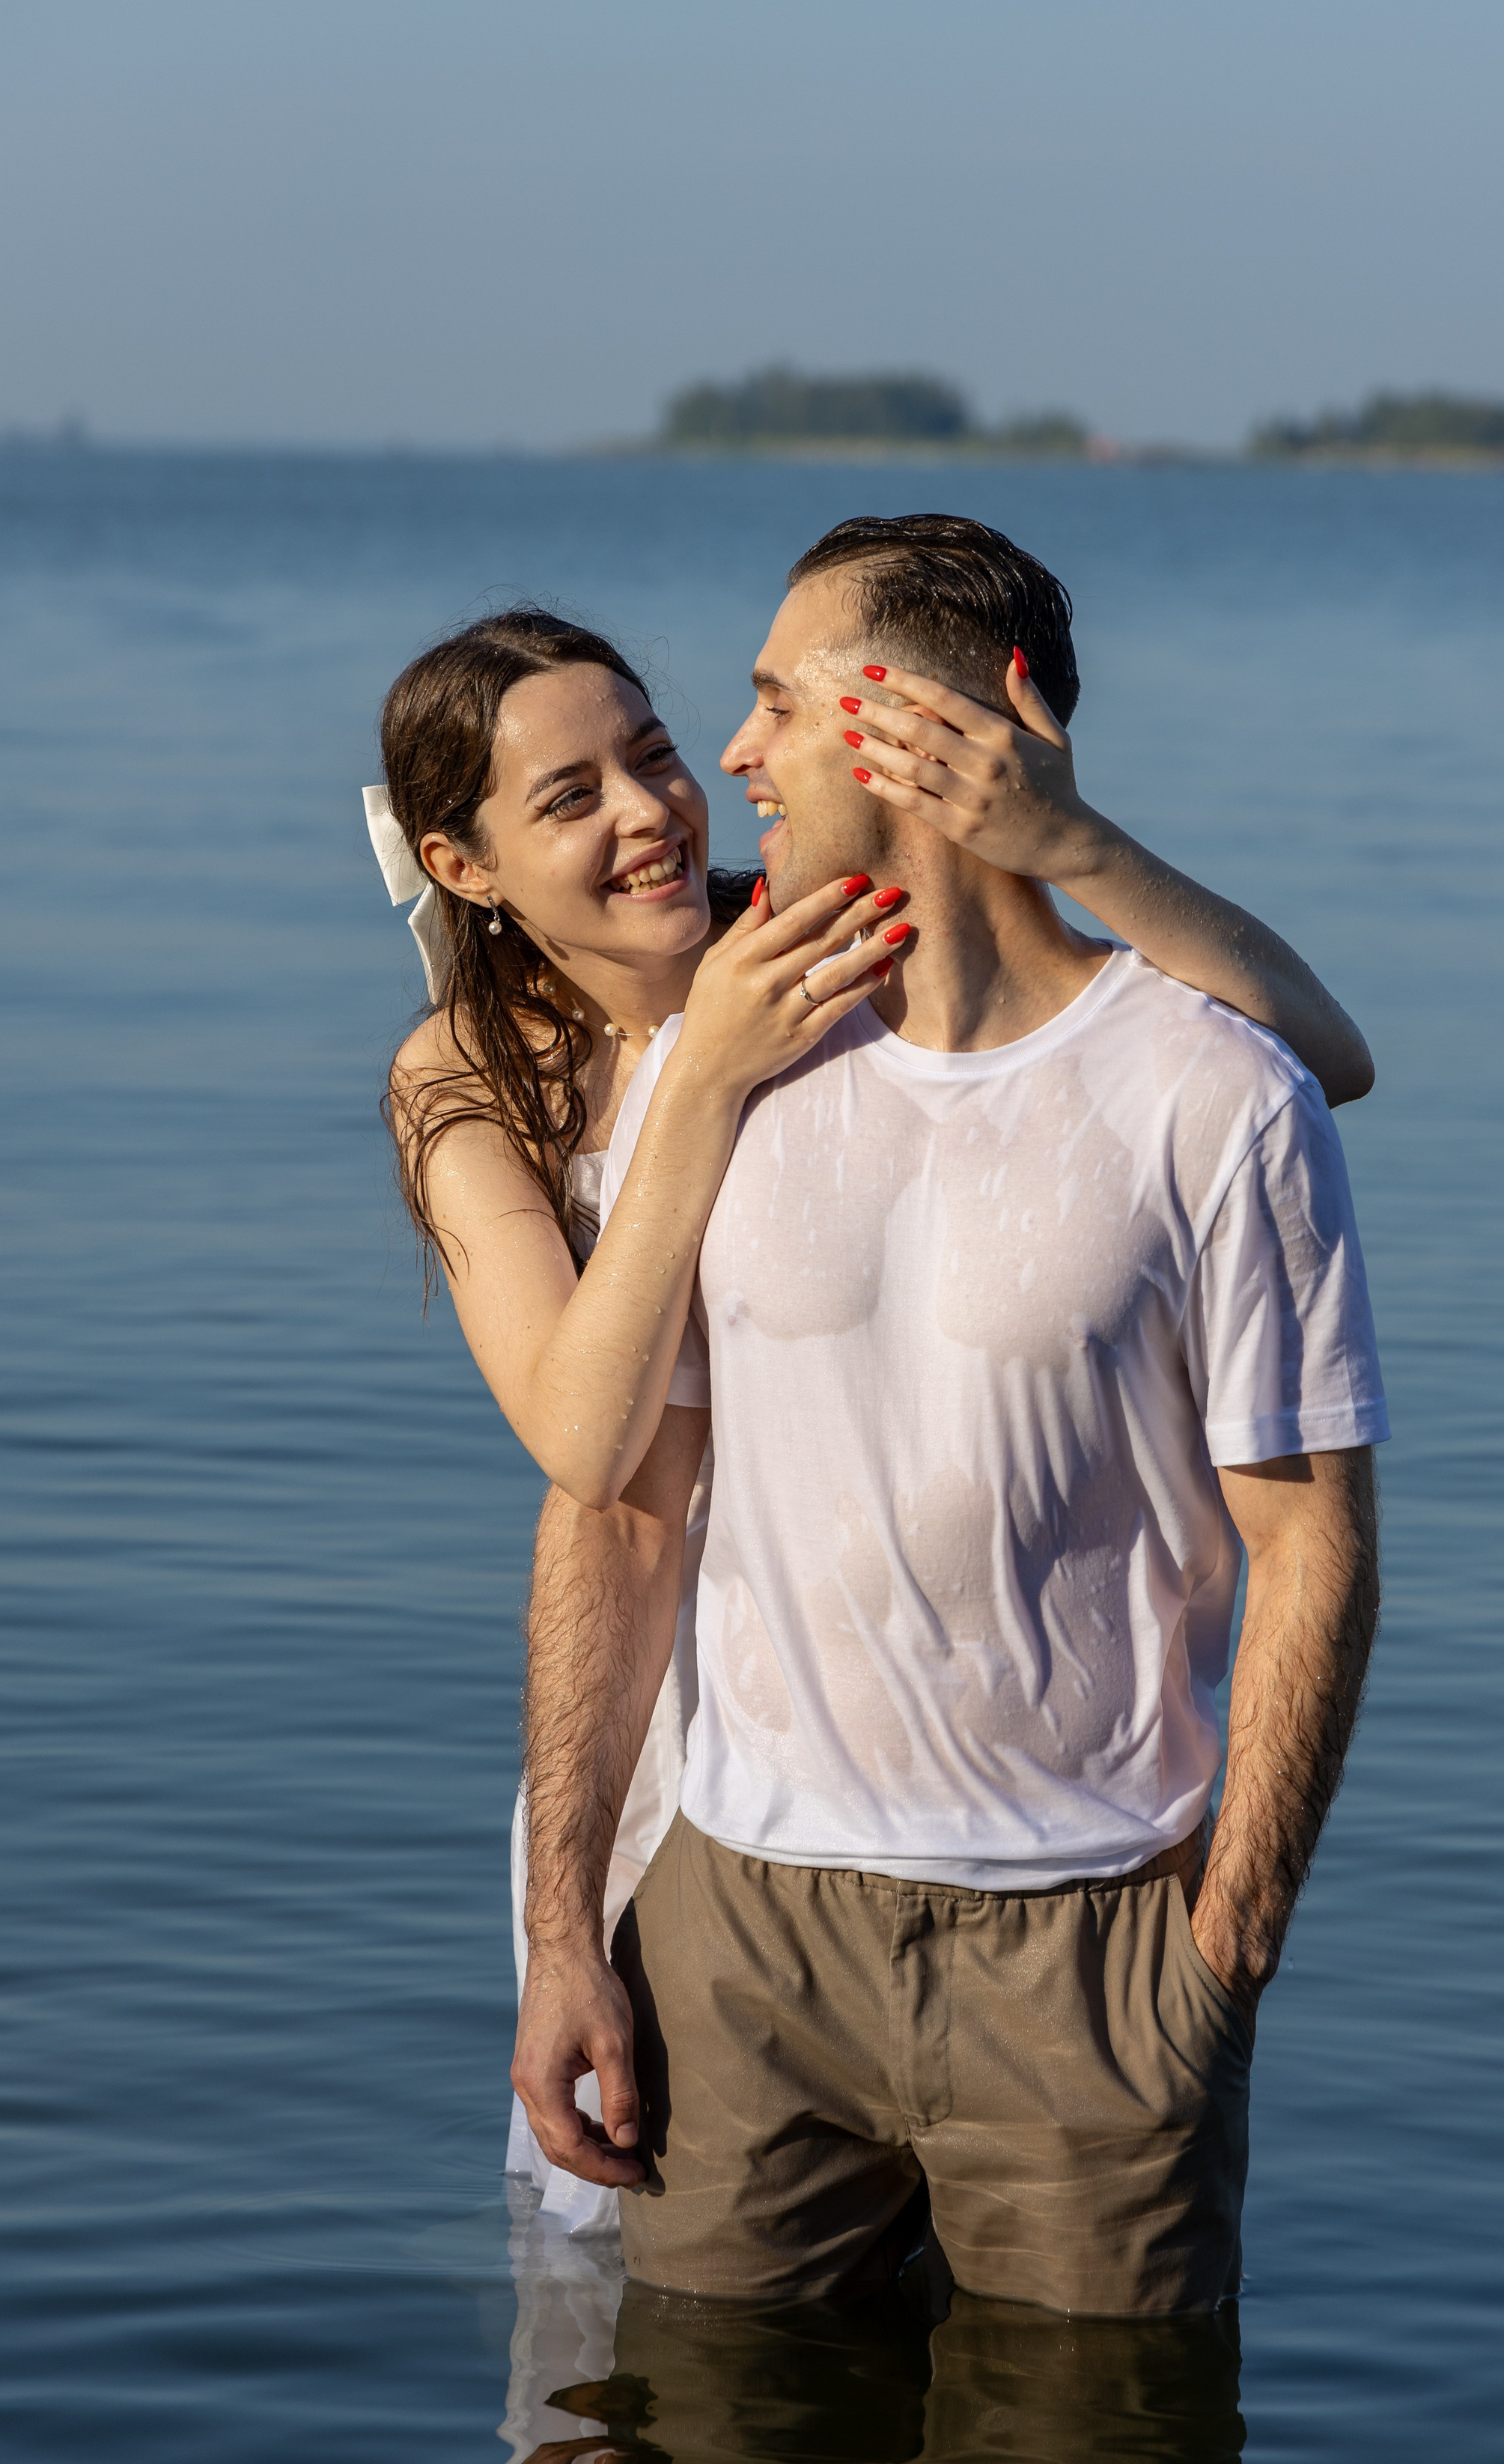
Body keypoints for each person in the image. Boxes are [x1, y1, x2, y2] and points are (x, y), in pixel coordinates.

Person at [375, 518, 1383, 2311]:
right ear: (462, 867)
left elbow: (1315, 1055)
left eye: (662, 750)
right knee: (620, 2323)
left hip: (1023, 1841)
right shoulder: (487, 1074)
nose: (669, 801)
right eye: (571, 798)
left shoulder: (797, 937)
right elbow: (594, 1465)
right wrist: (703, 1082)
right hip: (683, 1773)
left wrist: (1069, 842)